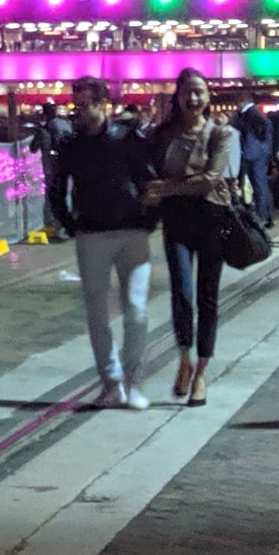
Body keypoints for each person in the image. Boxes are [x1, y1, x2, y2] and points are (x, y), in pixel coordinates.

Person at [46, 77, 159, 410]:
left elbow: (149, 179)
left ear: (102, 103)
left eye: (85, 105)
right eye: (77, 105)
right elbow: (57, 187)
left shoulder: (128, 138)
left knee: (136, 311)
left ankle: (132, 381)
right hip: (92, 232)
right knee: (97, 314)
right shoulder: (72, 144)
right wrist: (71, 223)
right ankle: (111, 383)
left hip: (132, 231)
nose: (79, 112)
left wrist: (149, 218)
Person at [147, 69, 240, 405]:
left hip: (211, 221)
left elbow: (209, 179)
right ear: (178, 96)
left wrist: (167, 188)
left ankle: (202, 372)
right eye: (188, 92)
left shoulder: (220, 133)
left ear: (208, 96)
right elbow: (148, 171)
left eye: (199, 91)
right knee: (182, 294)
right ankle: (184, 360)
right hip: (176, 222)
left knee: (207, 298)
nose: (194, 98)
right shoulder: (163, 134)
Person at [234, 98, 275, 225]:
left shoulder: (249, 114)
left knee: (256, 185)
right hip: (257, 154)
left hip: (250, 155)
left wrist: (254, 149)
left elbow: (258, 130)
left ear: (242, 102)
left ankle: (260, 215)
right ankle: (267, 215)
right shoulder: (255, 113)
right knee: (261, 184)